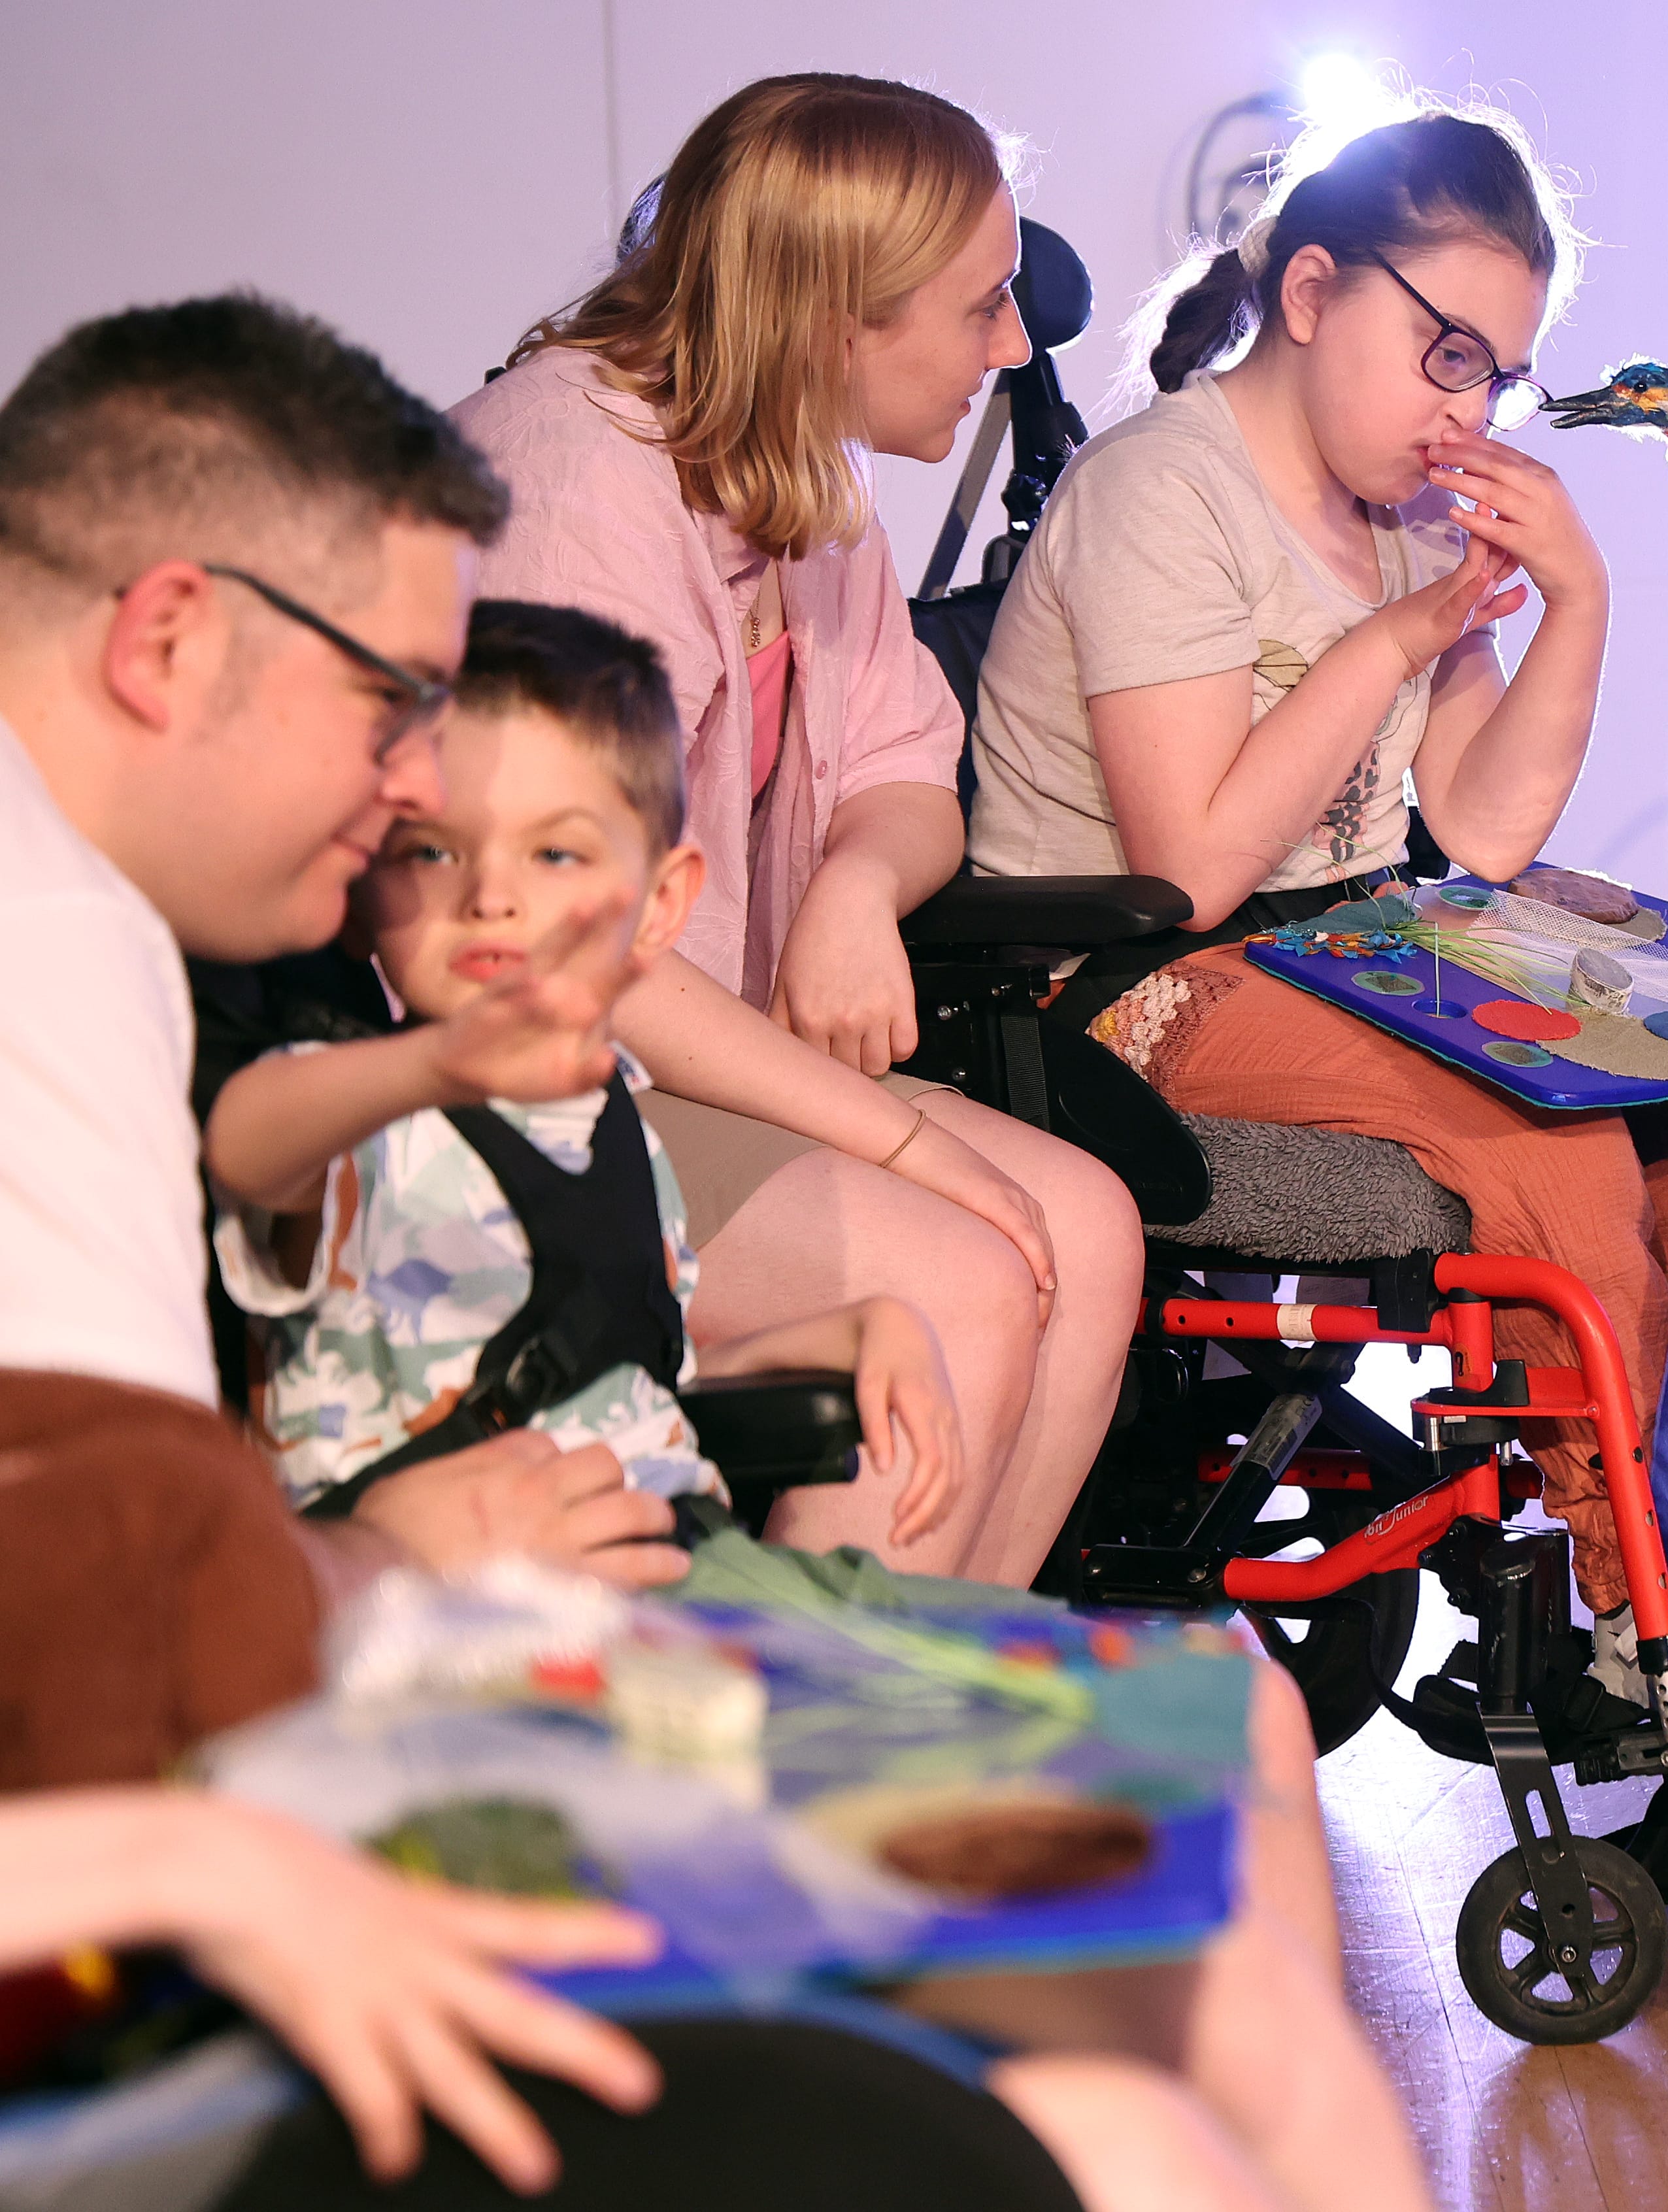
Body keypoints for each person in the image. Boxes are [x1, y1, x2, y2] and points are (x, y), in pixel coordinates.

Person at [0, 295, 1428, 2211]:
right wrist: (362, 1576)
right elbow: (136, 1620)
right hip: (331, 1796)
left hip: (380, 1718)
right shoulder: (89, 960)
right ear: (170, 639)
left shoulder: (138, 935)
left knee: (1210, 1906)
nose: (407, 793)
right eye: (385, 711)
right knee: (1139, 2115)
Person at [967, 106, 1668, 1705]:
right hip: (1143, 985)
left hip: (1347, 939)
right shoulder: (1164, 492)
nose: (1469, 408)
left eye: (1492, 373)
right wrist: (1394, 641)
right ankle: (1653, 1601)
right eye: (1447, 353)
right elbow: (1195, 864)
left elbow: (1478, 828)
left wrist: (1578, 597)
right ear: (1308, 293)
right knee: (1551, 1133)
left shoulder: (1411, 509)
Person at [450, 74, 1142, 1584]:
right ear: (839, 318)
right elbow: (561, 957)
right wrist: (903, 1138)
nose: (1014, 345)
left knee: (1085, 1231)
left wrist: (850, 891)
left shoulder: (796, 467)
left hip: (678, 1062)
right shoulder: (570, 490)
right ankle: (815, 1793)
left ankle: (938, 1733)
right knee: (963, 1273)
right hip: (511, 1098)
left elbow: (908, 770)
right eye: (983, 307)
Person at [203, 601, 963, 1542]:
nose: (491, 897)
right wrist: (435, 1066)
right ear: (367, 881)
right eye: (431, 852)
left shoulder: (610, 1124)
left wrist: (843, 1335)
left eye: (554, 853)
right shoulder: (357, 1115)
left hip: (638, 1566)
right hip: (432, 1609)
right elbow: (242, 1146)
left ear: (659, 905)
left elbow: (627, 1397)